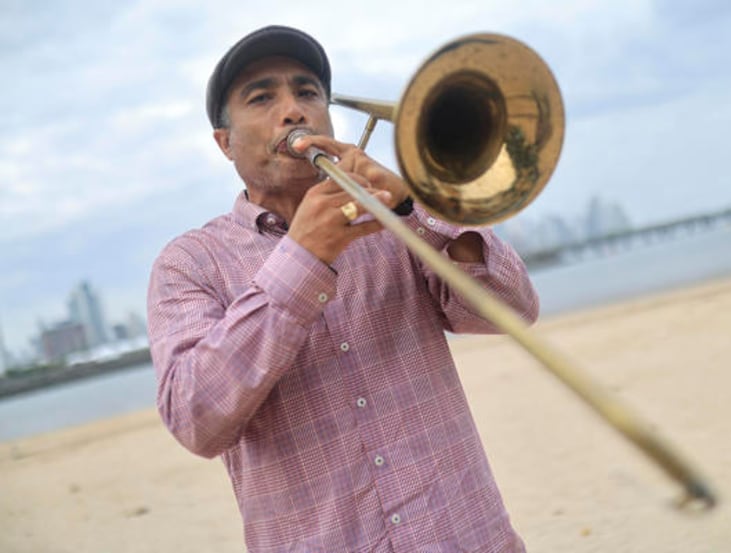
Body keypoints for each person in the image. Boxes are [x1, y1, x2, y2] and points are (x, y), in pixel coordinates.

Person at [147, 25, 539, 553]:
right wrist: (303, 258)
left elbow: (514, 309)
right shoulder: (189, 263)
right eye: (262, 98)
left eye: (307, 92)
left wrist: (417, 206)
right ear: (225, 143)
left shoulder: (395, 221)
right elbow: (196, 420)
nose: (294, 111)